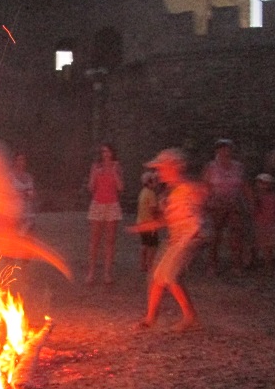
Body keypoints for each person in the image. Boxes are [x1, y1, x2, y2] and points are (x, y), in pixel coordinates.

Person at [129, 149, 206, 333]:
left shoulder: (187, 188)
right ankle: (150, 318)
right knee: (157, 277)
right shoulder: (170, 192)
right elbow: (168, 220)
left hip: (190, 237)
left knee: (170, 276)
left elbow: (200, 206)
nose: (159, 172)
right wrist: (145, 227)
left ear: (175, 168)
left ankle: (190, 317)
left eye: (162, 168)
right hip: (177, 238)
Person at [202, 139, 249, 275]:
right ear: (217, 150)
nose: (225, 151)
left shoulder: (238, 167)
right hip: (216, 205)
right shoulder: (210, 167)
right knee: (215, 236)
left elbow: (244, 185)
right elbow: (205, 186)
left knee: (236, 235)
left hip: (234, 203)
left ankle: (236, 265)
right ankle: (212, 265)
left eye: (227, 148)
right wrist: (204, 203)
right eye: (221, 148)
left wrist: (251, 202)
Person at [86, 143, 123, 284]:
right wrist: (95, 174)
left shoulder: (116, 167)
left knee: (110, 241)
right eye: (103, 152)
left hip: (112, 204)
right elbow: (90, 187)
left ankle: (107, 273)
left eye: (108, 151)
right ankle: (91, 272)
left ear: (112, 153)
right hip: (98, 204)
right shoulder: (96, 167)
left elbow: (120, 187)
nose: (105, 154)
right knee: (94, 241)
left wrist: (113, 172)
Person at [252, 173, 275, 270]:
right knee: (255, 244)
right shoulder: (255, 196)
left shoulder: (273, 196)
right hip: (258, 223)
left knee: (269, 246)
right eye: (261, 183)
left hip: (271, 223)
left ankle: (268, 264)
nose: (264, 185)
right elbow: (253, 209)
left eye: (266, 183)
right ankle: (254, 261)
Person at [136, 171, 160, 273]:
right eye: (155, 181)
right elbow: (153, 209)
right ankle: (150, 265)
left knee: (144, 244)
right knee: (152, 245)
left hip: (141, 222)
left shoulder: (143, 192)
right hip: (150, 224)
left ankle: (142, 264)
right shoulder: (151, 194)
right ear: (150, 182)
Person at [10, 151, 36, 235]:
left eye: (23, 160)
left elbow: (32, 192)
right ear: (14, 161)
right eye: (19, 160)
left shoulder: (28, 176)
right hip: (16, 211)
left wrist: (30, 194)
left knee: (29, 237)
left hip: (28, 211)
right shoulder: (10, 176)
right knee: (17, 236)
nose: (21, 162)